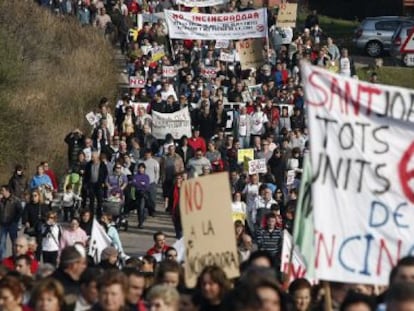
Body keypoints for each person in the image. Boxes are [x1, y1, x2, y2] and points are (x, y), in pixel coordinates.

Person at [83, 151, 108, 218]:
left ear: (97, 157)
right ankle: (91, 215)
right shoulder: (89, 164)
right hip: (91, 184)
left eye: (93, 157)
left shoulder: (102, 165)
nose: (92, 158)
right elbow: (86, 175)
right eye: (92, 157)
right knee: (91, 201)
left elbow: (105, 174)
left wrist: (103, 182)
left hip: (99, 185)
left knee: (100, 201)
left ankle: (99, 215)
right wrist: (86, 184)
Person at [0, 184, 22, 259]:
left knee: (14, 243)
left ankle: (15, 259)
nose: (1, 192)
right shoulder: (1, 200)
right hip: (3, 224)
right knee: (1, 244)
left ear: (7, 191)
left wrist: (15, 221)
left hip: (12, 224)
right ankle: (2, 261)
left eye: (2, 190)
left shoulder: (15, 200)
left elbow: (20, 211)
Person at [141, 149, 160, 217]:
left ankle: (152, 211)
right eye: (146, 153)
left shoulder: (155, 162)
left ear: (150, 154)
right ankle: (145, 211)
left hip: (152, 183)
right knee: (145, 198)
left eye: (148, 153)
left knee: (152, 198)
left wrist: (155, 181)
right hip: (143, 183)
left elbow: (157, 172)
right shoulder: (142, 162)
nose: (147, 155)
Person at [132, 163, 150, 228]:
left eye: (142, 168)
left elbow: (147, 185)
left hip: (143, 194)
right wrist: (141, 183)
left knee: (141, 208)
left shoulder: (146, 176)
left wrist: (139, 183)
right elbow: (134, 183)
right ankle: (140, 221)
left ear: (144, 169)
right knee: (139, 208)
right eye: (140, 168)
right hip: (137, 193)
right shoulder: (135, 176)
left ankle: (141, 222)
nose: (141, 169)